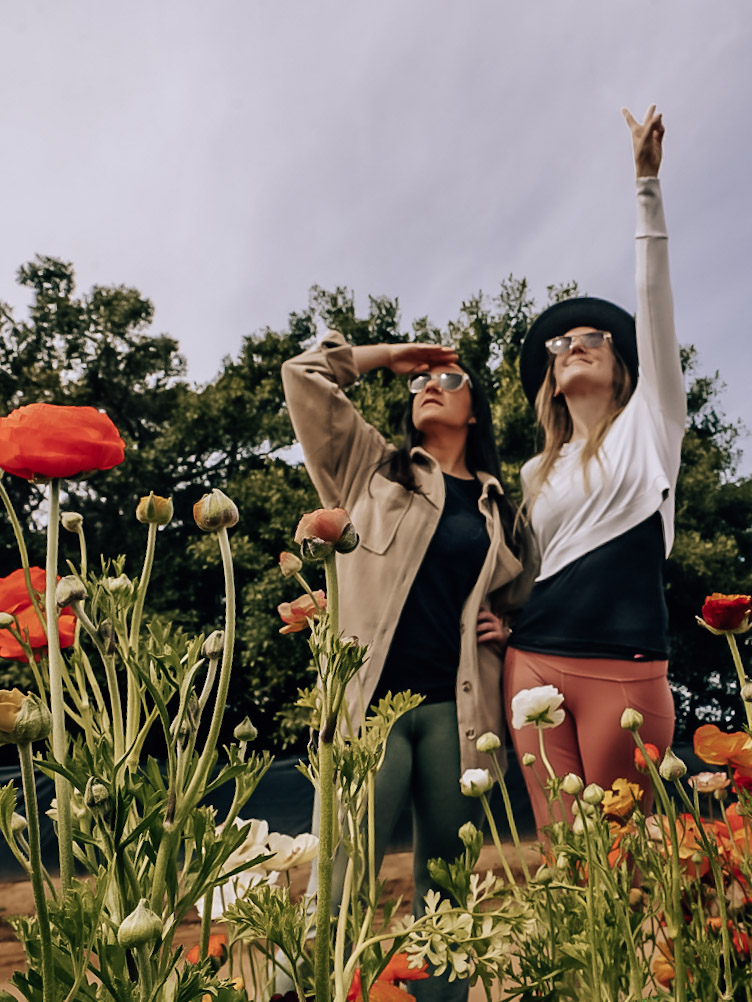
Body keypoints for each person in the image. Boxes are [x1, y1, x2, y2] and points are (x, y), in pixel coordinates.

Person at [282, 335, 537, 1000]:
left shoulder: (502, 510)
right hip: (369, 708)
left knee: (447, 892)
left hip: (459, 715)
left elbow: (535, 597)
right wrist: (387, 355)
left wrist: (510, 628)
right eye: (420, 384)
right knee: (340, 882)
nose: (428, 386)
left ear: (476, 411)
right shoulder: (370, 466)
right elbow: (302, 376)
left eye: (449, 381)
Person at [505, 105, 686, 830]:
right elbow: (536, 565)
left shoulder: (651, 425)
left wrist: (647, 184)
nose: (573, 345)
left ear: (622, 365)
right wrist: (500, 622)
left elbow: (654, 304)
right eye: (559, 345)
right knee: (561, 853)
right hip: (532, 662)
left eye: (593, 339)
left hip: (626, 665)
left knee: (622, 853)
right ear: (549, 381)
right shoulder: (532, 474)